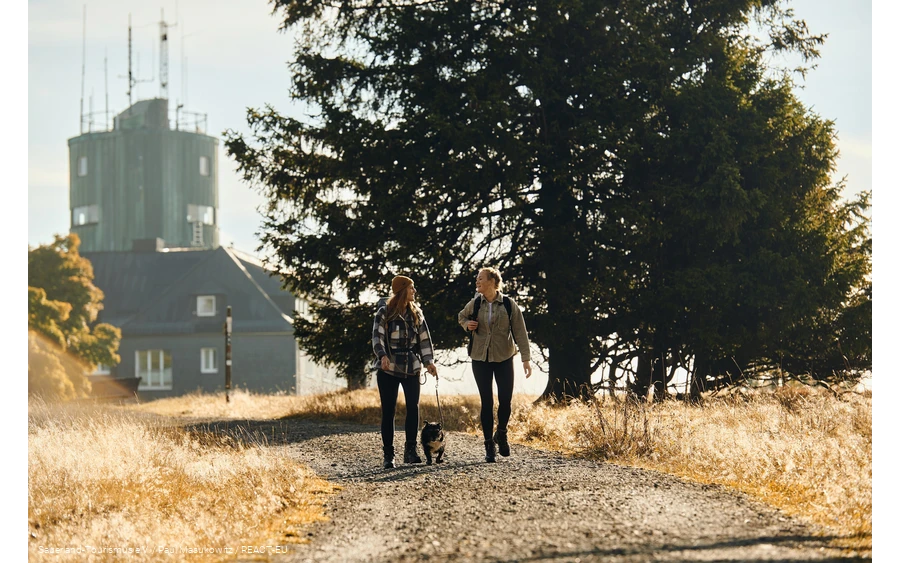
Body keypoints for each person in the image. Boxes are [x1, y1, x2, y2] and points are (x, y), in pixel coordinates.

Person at [458, 267, 532, 462]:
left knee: (505, 400)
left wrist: (526, 359)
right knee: (487, 401)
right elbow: (461, 316)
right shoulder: (475, 303)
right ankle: (489, 445)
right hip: (480, 358)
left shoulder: (508, 304)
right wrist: (468, 325)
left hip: (504, 358)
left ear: (492, 281)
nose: (477, 281)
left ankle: (501, 432)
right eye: (477, 279)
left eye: (480, 278)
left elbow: (520, 332)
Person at [372, 275, 439, 469]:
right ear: (402, 290)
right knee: (389, 410)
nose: (414, 292)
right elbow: (377, 338)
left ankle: (410, 451)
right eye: (411, 288)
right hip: (388, 368)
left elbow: (425, 340)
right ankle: (388, 454)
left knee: (413, 407)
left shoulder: (417, 313)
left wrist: (429, 362)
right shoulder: (384, 312)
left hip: (411, 366)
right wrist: (382, 355)